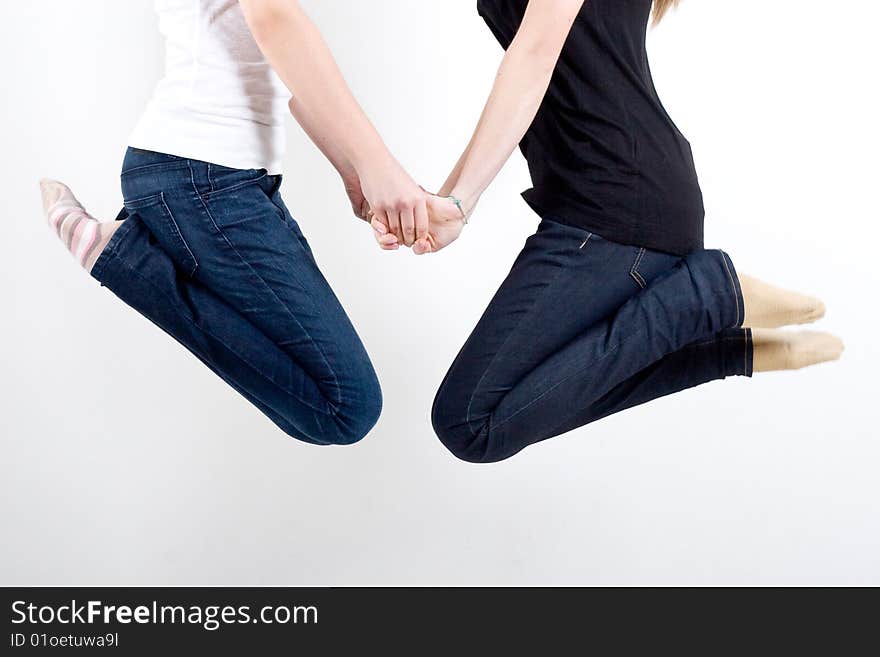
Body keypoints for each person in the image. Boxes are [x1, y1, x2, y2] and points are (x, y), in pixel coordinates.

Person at [376, 0, 844, 463]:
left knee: (468, 423)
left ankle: (712, 297)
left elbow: (535, 55)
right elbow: (537, 75)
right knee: (498, 412)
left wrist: (462, 200)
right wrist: (450, 200)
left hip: (613, 204)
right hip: (614, 196)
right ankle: (727, 350)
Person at [39, 0, 450, 446]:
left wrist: (355, 173)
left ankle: (124, 255)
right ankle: (123, 257)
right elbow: (276, 22)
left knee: (327, 411)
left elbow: (279, 61)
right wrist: (378, 167)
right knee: (346, 406)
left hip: (216, 176)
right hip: (202, 174)